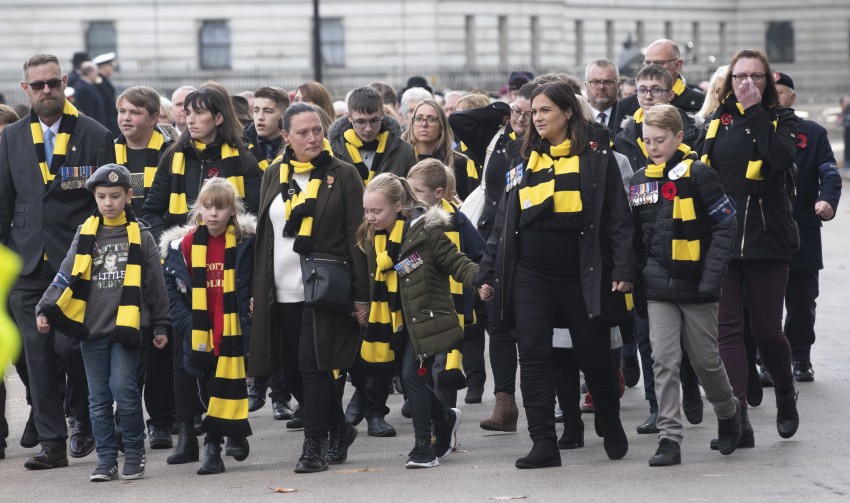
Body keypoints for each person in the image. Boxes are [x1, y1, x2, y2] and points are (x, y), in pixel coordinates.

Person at [477, 82, 635, 469]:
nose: (537, 118)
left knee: (595, 357)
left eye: (545, 110)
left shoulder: (597, 157)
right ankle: (543, 441)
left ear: (568, 113)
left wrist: (623, 268)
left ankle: (610, 421)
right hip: (529, 275)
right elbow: (503, 222)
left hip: (582, 273)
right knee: (532, 355)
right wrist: (489, 270)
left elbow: (617, 217)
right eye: (533, 112)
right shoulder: (522, 157)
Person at [0, 53, 115, 470]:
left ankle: (81, 419)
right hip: (28, 264)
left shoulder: (95, 133)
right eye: (38, 85)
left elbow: (106, 205)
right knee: (38, 357)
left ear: (64, 82)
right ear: (25, 90)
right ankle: (52, 443)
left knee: (72, 348)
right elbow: (3, 203)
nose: (46, 91)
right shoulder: (11, 138)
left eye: (53, 83)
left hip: (76, 262)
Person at [246, 102, 369, 474]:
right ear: (286, 137)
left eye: (317, 130)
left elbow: (356, 237)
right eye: (303, 132)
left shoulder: (343, 174)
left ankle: (313, 444)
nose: (313, 138)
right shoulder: (273, 173)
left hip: (323, 289)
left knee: (313, 366)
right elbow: (265, 235)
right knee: (289, 370)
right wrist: (257, 289)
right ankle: (339, 427)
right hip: (278, 288)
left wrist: (362, 295)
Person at [35, 164, 171, 481]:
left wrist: (162, 324)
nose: (108, 203)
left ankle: (135, 454)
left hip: (126, 329)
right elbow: (65, 274)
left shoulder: (143, 236)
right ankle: (106, 460)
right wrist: (45, 306)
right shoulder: (85, 235)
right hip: (91, 329)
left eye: (114, 196)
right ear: (94, 198)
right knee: (97, 399)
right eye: (101, 197)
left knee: (124, 391)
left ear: (128, 196)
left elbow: (156, 284)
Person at [696, 49, 800, 447]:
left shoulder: (782, 120)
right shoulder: (714, 124)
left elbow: (780, 160)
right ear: (728, 81)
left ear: (767, 82)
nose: (747, 83)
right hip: (722, 241)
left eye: (756, 77)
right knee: (728, 330)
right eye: (740, 76)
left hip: (767, 239)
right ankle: (737, 416)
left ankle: (786, 394)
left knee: (767, 330)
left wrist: (757, 112)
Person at [629, 105, 742, 466]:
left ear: (679, 137)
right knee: (663, 361)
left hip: (697, 285)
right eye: (647, 141)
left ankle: (728, 412)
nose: (653, 147)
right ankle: (669, 437)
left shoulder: (699, 173)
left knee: (706, 361)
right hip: (658, 286)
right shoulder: (639, 180)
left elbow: (726, 224)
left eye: (660, 140)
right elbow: (633, 235)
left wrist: (711, 278)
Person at [358, 172, 478, 468]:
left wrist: (482, 281)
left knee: (412, 376)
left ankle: (423, 446)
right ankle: (446, 417)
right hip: (392, 319)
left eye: (376, 211)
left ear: (398, 206)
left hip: (425, 317)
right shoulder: (374, 236)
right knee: (410, 380)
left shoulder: (425, 231)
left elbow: (455, 261)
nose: (370, 217)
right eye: (367, 211)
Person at [160, 177, 254, 475]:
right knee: (208, 390)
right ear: (198, 209)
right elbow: (172, 294)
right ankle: (226, 438)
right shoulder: (182, 247)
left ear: (232, 212)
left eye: (221, 208)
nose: (213, 213)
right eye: (208, 207)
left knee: (229, 386)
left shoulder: (244, 244)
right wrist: (189, 326)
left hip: (232, 331)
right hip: (200, 333)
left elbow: (253, 285)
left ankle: (218, 444)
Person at [114, 85, 177, 450]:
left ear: (155, 117)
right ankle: (125, 419)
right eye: (122, 111)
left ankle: (161, 420)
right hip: (118, 259)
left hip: (158, 258)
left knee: (158, 341)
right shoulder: (109, 150)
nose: (126, 118)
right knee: (124, 339)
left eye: (135, 112)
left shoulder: (170, 154)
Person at [774, 72, 842, 382]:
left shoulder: (813, 134)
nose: (774, 99)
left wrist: (826, 201)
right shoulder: (751, 132)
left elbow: (829, 174)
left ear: (792, 98)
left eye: (780, 93)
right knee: (764, 300)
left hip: (803, 229)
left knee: (802, 301)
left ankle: (800, 357)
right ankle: (766, 359)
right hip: (764, 231)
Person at [407, 160, 486, 407]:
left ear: (439, 193)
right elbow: (403, 259)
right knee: (421, 363)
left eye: (418, 192)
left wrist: (480, 282)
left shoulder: (458, 220)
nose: (413, 198)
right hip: (419, 304)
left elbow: (478, 254)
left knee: (445, 367)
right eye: (410, 192)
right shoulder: (408, 221)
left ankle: (445, 420)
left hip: (452, 307)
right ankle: (424, 406)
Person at [142, 86, 262, 240]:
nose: (190, 120)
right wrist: (168, 246)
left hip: (230, 250)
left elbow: (255, 212)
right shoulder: (172, 156)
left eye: (199, 113)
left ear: (218, 118)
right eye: (188, 113)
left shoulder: (243, 158)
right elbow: (151, 211)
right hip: (181, 252)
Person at [615, 65, 698, 172]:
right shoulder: (622, 139)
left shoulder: (693, 132)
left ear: (670, 95)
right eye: (642, 90)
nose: (648, 96)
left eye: (656, 90)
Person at [328, 86, 417, 183]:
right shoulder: (332, 152)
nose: (368, 129)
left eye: (374, 121)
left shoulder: (405, 151)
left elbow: (413, 193)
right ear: (349, 117)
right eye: (361, 122)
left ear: (382, 114)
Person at [614, 39, 705, 132]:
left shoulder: (701, 102)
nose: (651, 68)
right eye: (647, 63)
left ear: (677, 65)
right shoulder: (626, 105)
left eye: (658, 63)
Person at [403, 99, 478, 200]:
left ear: (441, 126)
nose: (424, 124)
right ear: (412, 124)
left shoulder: (458, 161)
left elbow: (465, 203)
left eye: (431, 119)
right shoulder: (401, 158)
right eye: (419, 118)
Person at [244, 86, 289, 173]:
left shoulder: (295, 146)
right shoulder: (241, 146)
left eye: (268, 111)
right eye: (256, 111)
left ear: (284, 115)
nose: (260, 117)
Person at [584, 59, 621, 131]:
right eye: (595, 82)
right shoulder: (576, 117)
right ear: (586, 86)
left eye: (607, 82)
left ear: (618, 86)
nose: (601, 87)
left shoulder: (628, 117)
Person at [92, 52, 120, 137]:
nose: (112, 68)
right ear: (104, 67)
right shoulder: (99, 81)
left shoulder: (103, 80)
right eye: (111, 66)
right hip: (107, 121)